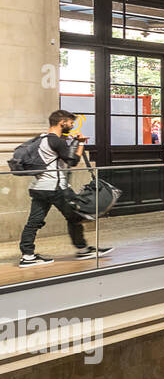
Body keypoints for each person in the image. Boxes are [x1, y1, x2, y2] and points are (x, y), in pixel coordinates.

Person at [17, 110, 111, 266]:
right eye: (70, 122)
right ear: (62, 123)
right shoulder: (57, 141)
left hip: (39, 187)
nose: (72, 125)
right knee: (76, 216)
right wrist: (81, 143)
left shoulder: (42, 139)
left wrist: (70, 141)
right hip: (56, 188)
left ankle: (27, 256)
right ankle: (83, 250)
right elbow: (72, 161)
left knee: (33, 222)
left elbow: (55, 154)